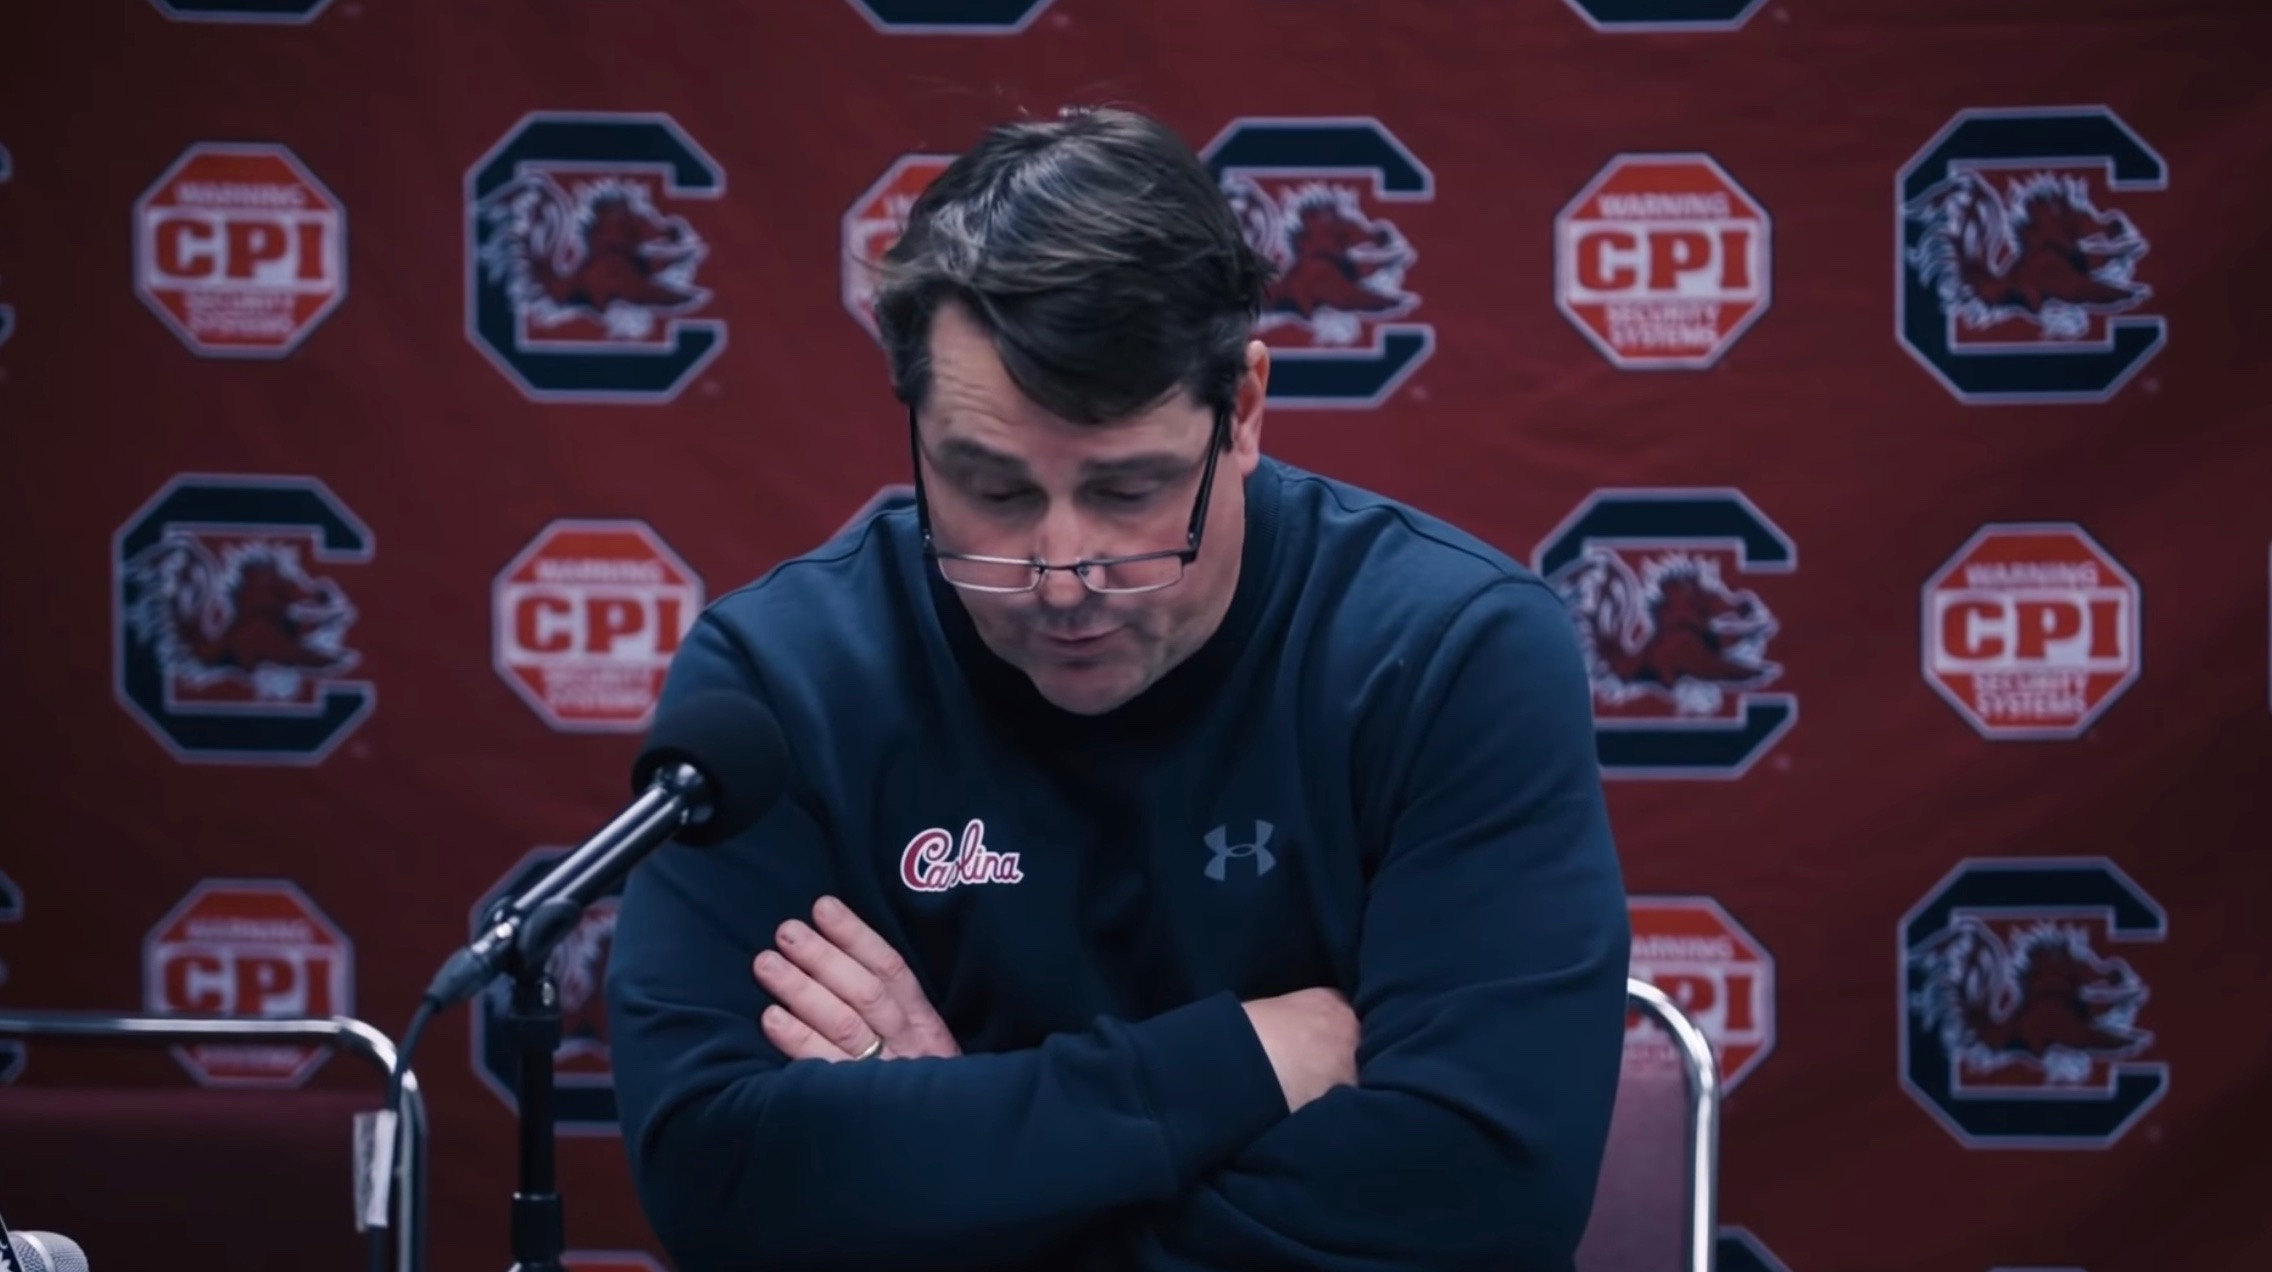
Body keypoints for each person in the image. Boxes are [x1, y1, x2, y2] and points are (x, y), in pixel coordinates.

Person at [604, 105, 1631, 1272]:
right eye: (992, 492)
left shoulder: (1450, 655)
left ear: (1243, 412)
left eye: (1128, 491)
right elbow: (716, 1182)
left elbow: (1483, 1203)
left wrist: (955, 1159)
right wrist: (1236, 1065)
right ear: (917, 435)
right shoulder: (779, 683)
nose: (1062, 574)